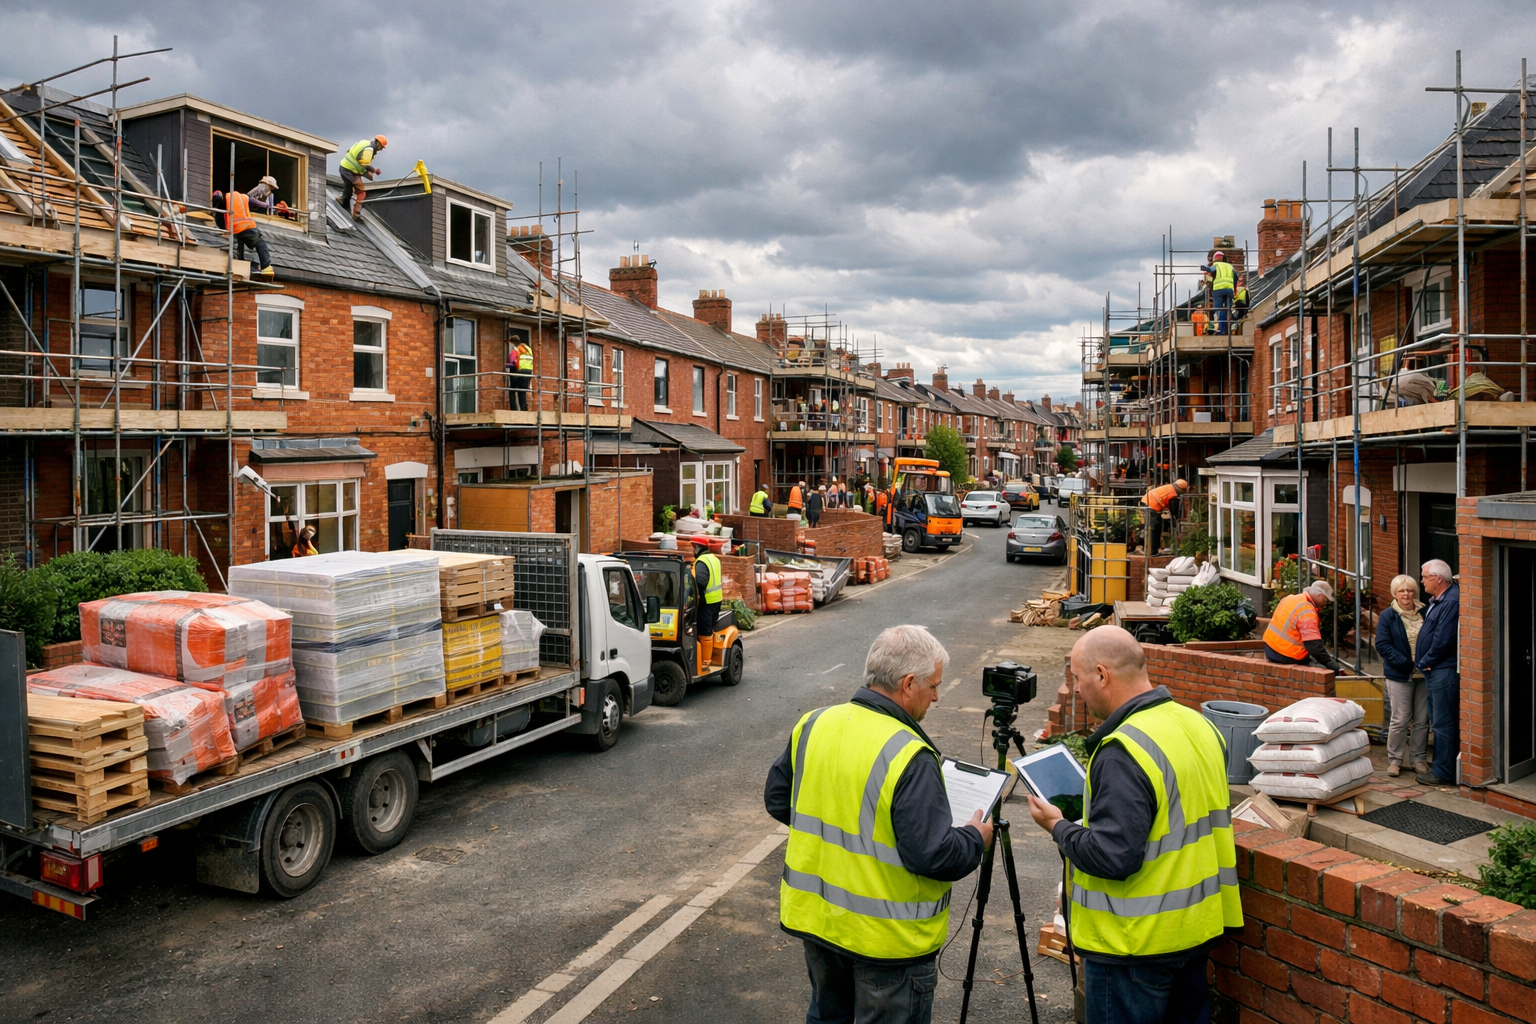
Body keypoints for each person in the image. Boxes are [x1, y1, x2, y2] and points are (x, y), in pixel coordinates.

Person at [765, 625, 990, 1024]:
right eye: (933, 686)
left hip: (819, 922)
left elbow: (779, 800)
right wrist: (975, 837)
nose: (936, 696)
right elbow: (934, 856)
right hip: (888, 943)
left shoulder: (814, 724)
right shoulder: (909, 753)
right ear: (907, 684)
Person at [1028, 626, 1242, 1024]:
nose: (1075, 690)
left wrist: (1057, 826)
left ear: (1102, 675)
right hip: (1194, 932)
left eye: (1077, 678)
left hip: (1132, 948)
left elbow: (1113, 856)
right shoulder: (1196, 724)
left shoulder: (1123, 751)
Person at [1375, 574, 1430, 779]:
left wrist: (1427, 662)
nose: (1406, 594)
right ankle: (1395, 761)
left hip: (1424, 674)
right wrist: (1406, 663)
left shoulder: (1425, 611)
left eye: (1409, 590)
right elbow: (1382, 645)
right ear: (1395, 593)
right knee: (1400, 719)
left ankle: (1418, 758)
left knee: (1422, 720)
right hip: (1400, 675)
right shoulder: (1388, 615)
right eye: (1401, 591)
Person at [1415, 560, 1461, 786]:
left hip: (1443, 671)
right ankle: (1442, 765)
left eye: (1424, 576)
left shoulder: (1450, 602)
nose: (1421, 580)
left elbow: (1444, 639)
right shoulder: (1439, 600)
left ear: (1438, 578)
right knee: (1438, 721)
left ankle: (1444, 772)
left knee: (1443, 723)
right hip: (1435, 670)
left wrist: (1425, 661)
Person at [1262, 580, 1344, 672]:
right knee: (1323, 669)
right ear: (1320, 596)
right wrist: (1330, 663)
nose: (1325, 604)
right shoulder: (1307, 611)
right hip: (1286, 655)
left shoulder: (1290, 598)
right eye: (1325, 600)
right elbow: (1314, 645)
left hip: (1270, 648)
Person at [212, 188, 274, 277]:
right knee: (259, 243)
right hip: (248, 226)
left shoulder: (223, 200)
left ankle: (239, 261)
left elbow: (219, 219)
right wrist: (266, 205)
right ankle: (266, 267)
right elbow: (256, 204)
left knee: (239, 243)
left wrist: (224, 229)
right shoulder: (243, 197)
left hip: (235, 228)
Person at [340, 135, 388, 217]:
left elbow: (358, 159)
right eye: (382, 147)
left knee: (348, 187)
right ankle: (356, 213)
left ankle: (343, 200)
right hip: (350, 171)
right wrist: (374, 171)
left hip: (344, 167)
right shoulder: (369, 149)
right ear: (379, 144)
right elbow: (365, 164)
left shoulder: (364, 143)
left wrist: (366, 172)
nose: (381, 149)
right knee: (361, 192)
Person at [1140, 479, 1188, 554]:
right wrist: (1176, 518)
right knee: (1154, 527)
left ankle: (1155, 548)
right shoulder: (1173, 493)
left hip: (1148, 501)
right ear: (1181, 489)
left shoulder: (1170, 488)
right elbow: (1173, 509)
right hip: (1151, 504)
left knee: (1157, 526)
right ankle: (1153, 550)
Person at [693, 550, 724, 666]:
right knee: (709, 628)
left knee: (703, 631)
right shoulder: (714, 558)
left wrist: (691, 587)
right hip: (716, 600)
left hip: (706, 601)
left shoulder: (702, 561)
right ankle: (708, 657)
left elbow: (700, 581)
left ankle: (705, 661)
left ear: (697, 548)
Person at [1200, 251, 1237, 335]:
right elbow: (1235, 277)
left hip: (1219, 290)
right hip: (1229, 291)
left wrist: (1204, 268)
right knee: (1228, 310)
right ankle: (1226, 330)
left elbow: (1210, 269)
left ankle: (1218, 329)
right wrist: (1234, 289)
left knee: (1218, 309)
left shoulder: (1217, 265)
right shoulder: (1230, 266)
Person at [507, 337, 533, 411]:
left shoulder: (515, 350)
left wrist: (506, 366)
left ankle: (514, 410)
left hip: (518, 372)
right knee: (522, 393)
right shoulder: (528, 349)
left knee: (512, 391)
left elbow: (512, 363)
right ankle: (523, 411)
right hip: (528, 373)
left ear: (513, 343)